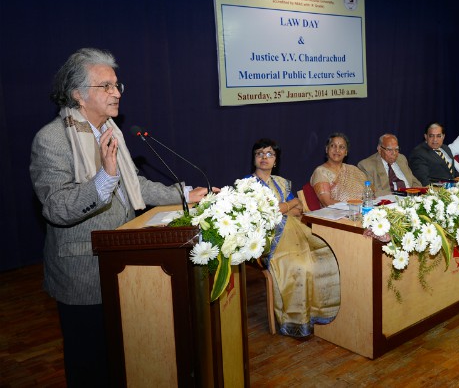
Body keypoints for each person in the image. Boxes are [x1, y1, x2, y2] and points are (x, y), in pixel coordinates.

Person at [29, 48, 210, 387]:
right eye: (106, 86)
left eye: (117, 85)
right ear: (78, 95)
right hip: (83, 270)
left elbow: (132, 185)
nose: (116, 93)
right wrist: (104, 179)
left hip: (124, 261)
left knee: (123, 356)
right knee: (90, 362)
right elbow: (56, 208)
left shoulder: (110, 129)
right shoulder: (52, 139)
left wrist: (184, 195)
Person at [247, 138, 340, 337]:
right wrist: (286, 206)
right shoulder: (246, 185)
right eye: (259, 154)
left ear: (276, 160)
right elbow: (266, 215)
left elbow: (297, 210)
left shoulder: (281, 182)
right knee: (301, 266)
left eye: (270, 154)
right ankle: (297, 321)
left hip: (294, 230)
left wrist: (282, 208)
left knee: (326, 255)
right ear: (254, 158)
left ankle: (318, 313)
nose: (264, 158)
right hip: (268, 239)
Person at [310, 132, 366, 207]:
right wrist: (353, 207)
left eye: (342, 147)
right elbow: (327, 202)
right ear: (327, 149)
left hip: (361, 211)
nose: (337, 150)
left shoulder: (354, 169)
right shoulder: (321, 172)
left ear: (346, 152)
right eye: (333, 146)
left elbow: (370, 192)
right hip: (334, 215)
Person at [357, 133, 422, 196]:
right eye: (389, 150)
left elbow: (414, 182)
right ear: (379, 149)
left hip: (410, 198)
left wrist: (417, 194)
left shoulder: (401, 158)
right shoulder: (366, 165)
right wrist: (397, 194)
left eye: (396, 149)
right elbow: (371, 192)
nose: (394, 153)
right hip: (388, 201)